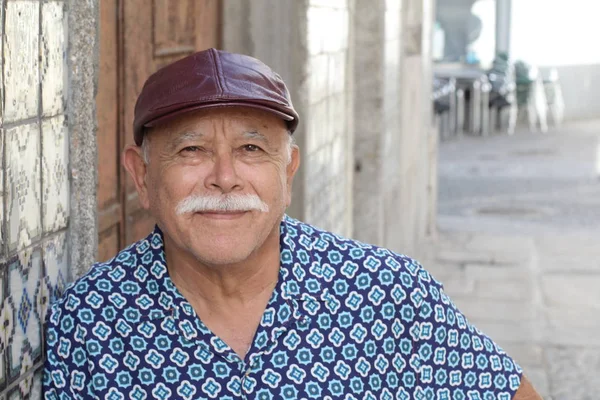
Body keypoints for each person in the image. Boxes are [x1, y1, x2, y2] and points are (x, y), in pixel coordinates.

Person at [43, 48, 541, 399]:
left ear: (288, 172)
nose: (224, 178)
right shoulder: (90, 321)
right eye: (191, 149)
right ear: (142, 175)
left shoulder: (389, 295)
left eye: (252, 150)